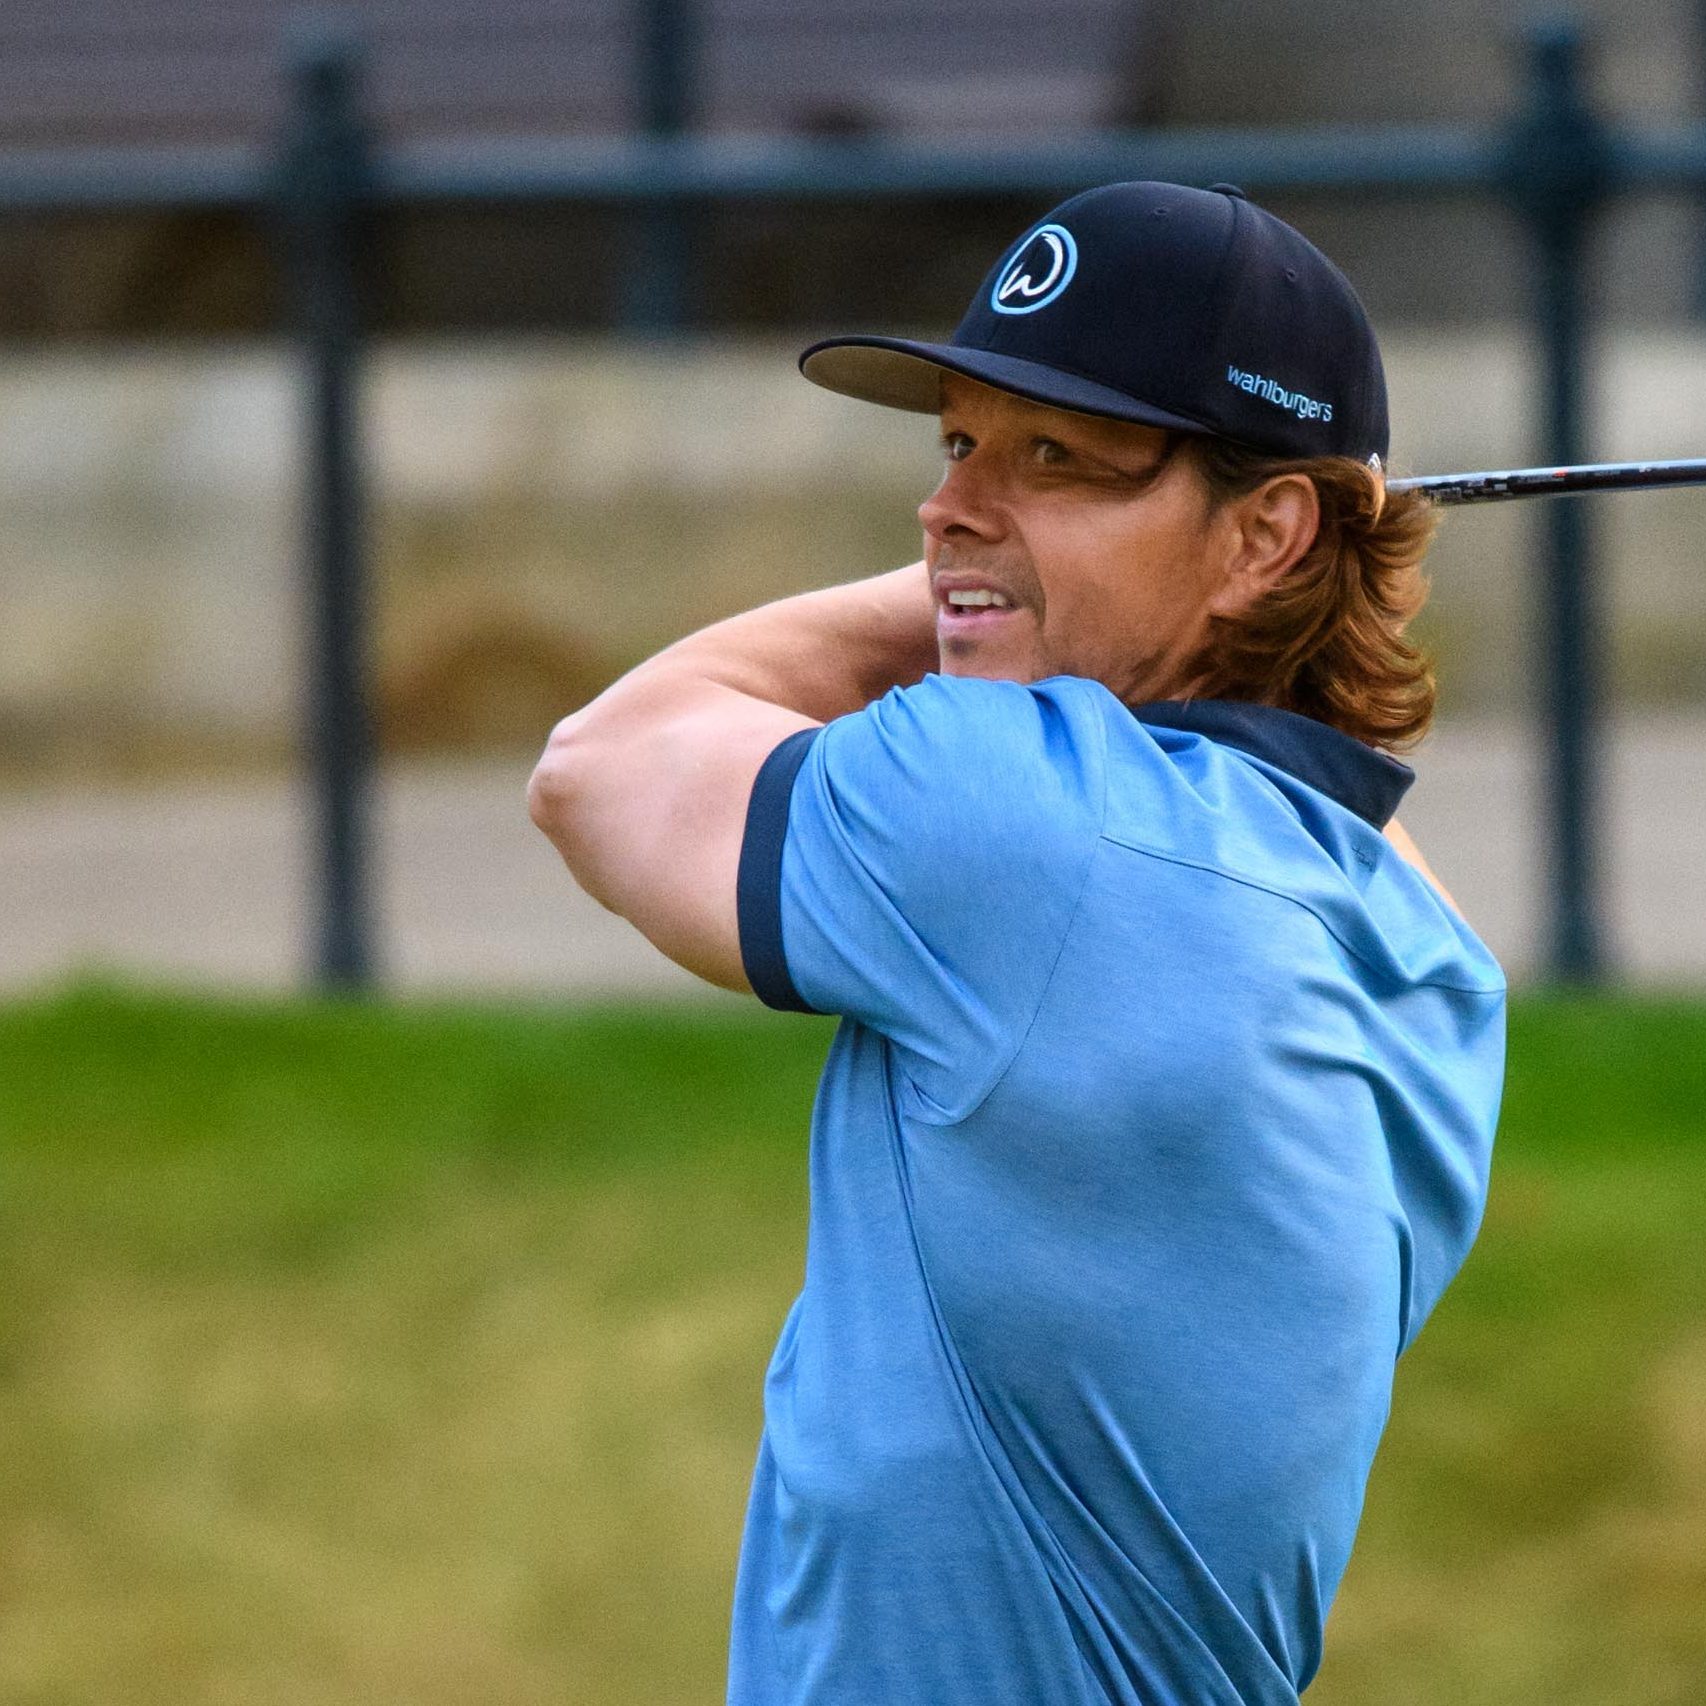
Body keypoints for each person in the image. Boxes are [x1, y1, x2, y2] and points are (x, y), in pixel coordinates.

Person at [526, 180, 1507, 1706]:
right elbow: (1317, 761)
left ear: (1266, 534)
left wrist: (967, 598)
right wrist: (1062, 564)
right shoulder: (1428, 956)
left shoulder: (1013, 824)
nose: (946, 509)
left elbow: (601, 764)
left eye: (1058, 457)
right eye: (957, 445)